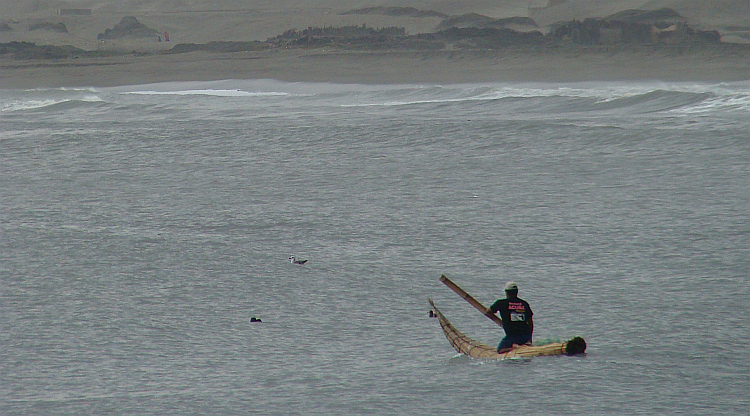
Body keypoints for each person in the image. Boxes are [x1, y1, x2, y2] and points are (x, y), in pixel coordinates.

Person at [488, 281, 533, 353]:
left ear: (506, 292)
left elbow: (488, 311)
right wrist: (529, 337)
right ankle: (523, 345)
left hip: (512, 336)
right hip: (525, 335)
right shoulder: (524, 303)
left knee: (500, 350)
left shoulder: (501, 303)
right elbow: (530, 322)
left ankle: (515, 348)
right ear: (517, 292)